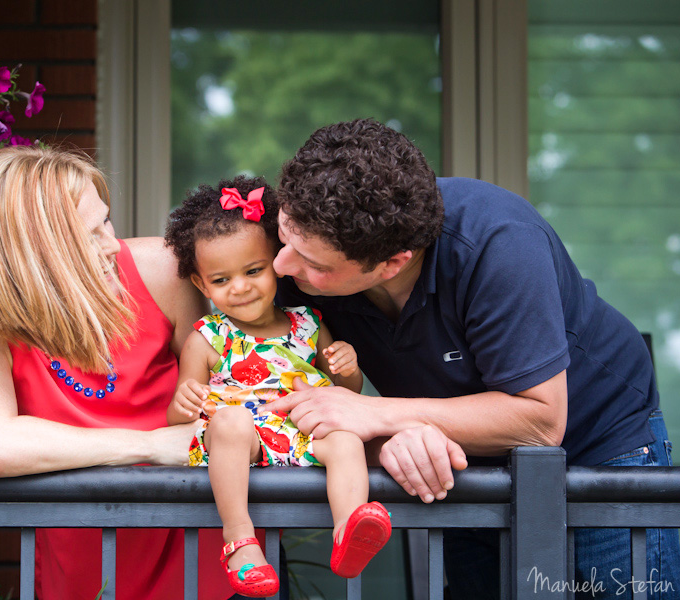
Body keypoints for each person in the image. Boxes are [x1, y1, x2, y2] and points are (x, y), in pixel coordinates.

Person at [266, 118, 679, 599]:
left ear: (393, 262)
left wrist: (378, 414)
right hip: (461, 460)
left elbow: (542, 421)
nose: (281, 266)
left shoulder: (500, 242)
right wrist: (391, 439)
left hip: (600, 447)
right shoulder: (306, 232)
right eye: (284, 236)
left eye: (315, 265)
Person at [0, 145, 240, 600]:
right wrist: (150, 445)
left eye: (106, 220)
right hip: (80, 565)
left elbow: (225, 384)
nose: (109, 243)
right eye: (89, 233)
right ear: (31, 251)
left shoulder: (163, 271)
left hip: (198, 551)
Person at [163, 176, 392, 597]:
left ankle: (349, 528)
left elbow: (350, 393)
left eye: (253, 270)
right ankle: (240, 541)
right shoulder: (207, 337)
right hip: (241, 440)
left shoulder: (308, 323)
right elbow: (178, 416)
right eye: (221, 280)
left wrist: (347, 366)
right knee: (230, 422)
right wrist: (183, 400)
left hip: (301, 431)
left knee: (344, 439)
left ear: (277, 262)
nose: (241, 287)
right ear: (200, 284)